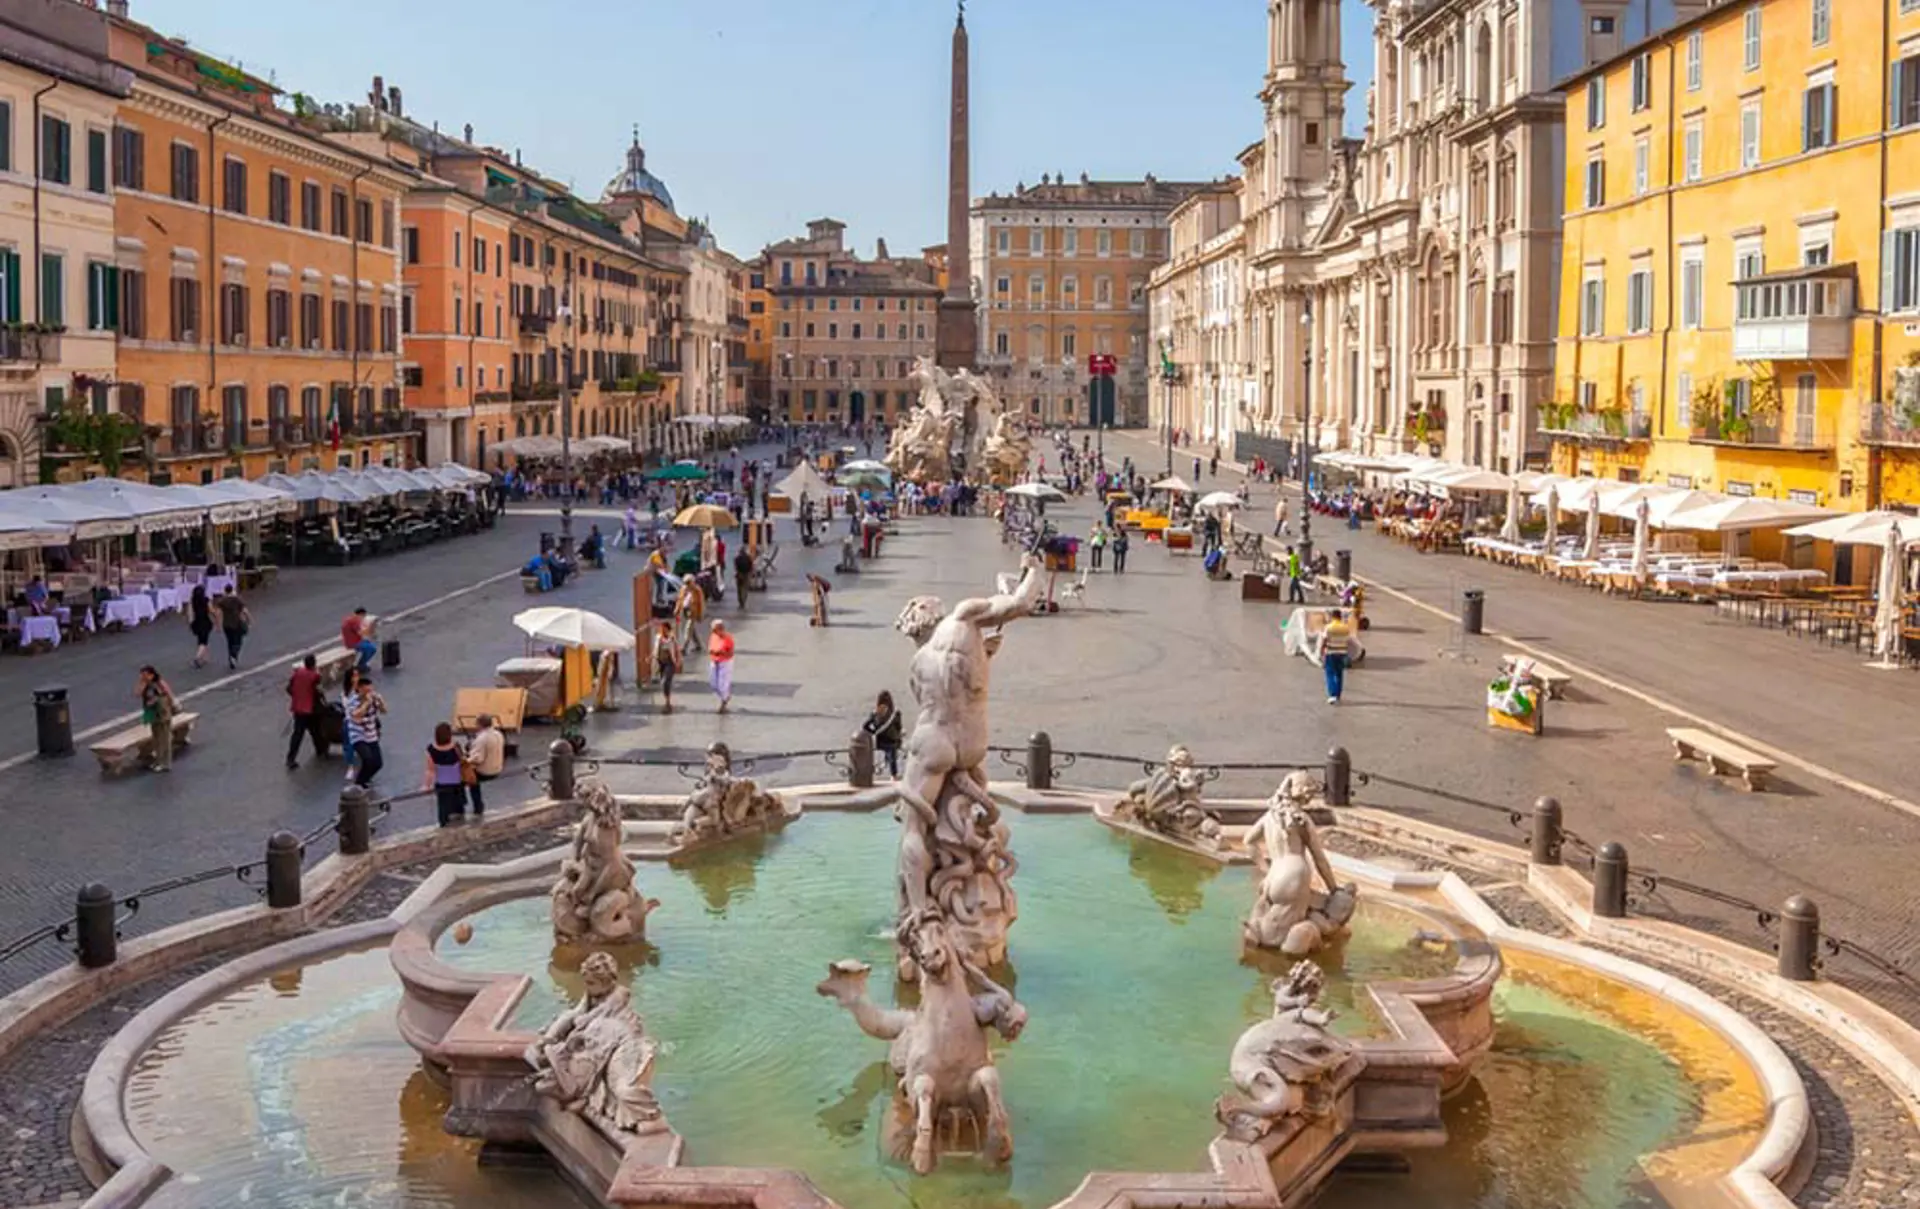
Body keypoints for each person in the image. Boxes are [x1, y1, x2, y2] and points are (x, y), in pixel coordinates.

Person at [344, 672, 387, 788]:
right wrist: (366, 703)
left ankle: (365, 779)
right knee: (367, 759)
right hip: (358, 735)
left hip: (371, 735)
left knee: (378, 763)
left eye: (370, 690)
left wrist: (381, 701)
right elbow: (356, 716)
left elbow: (384, 711)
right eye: (366, 691)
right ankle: (359, 783)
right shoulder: (352, 701)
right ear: (360, 689)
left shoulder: (373, 699)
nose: (369, 693)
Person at [423, 722, 470, 827]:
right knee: (459, 809)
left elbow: (430, 770)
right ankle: (461, 827)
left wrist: (427, 785)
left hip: (442, 784)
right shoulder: (456, 746)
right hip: (457, 783)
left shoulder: (431, 749)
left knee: (443, 809)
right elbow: (463, 761)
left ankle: (443, 826)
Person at [138, 665, 177, 773]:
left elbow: (168, 693)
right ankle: (158, 760)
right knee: (156, 738)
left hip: (162, 712)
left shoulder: (159, 683)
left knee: (164, 738)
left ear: (152, 675)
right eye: (142, 675)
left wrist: (174, 705)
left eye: (145, 675)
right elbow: (137, 693)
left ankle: (165, 763)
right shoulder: (145, 684)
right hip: (151, 713)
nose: (143, 677)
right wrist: (141, 683)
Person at [286, 654, 322, 770]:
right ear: (314, 664)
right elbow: (318, 690)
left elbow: (288, 688)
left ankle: (290, 758)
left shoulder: (298, 673)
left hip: (298, 708)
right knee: (315, 730)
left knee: (297, 734)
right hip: (309, 709)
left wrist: (296, 696)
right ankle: (320, 750)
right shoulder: (315, 676)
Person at [467, 714, 504, 815]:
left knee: (468, 777)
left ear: (480, 724)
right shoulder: (499, 734)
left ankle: (477, 806)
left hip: (485, 771)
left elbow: (478, 759)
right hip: (498, 768)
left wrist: (466, 760)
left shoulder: (482, 738)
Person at [863, 690, 904, 778]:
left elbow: (865, 726)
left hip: (880, 740)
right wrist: (899, 739)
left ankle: (874, 771)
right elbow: (899, 727)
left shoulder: (875, 713)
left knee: (887, 756)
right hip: (892, 740)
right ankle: (893, 775)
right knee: (892, 757)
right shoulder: (895, 713)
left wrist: (874, 732)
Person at [213, 586, 250, 669]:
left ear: (225, 591)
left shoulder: (222, 601)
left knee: (230, 642)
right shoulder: (237, 600)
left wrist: (218, 625)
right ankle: (234, 655)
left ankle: (231, 659)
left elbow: (218, 613)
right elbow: (244, 610)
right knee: (238, 641)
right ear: (232, 590)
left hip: (226, 625)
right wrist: (249, 619)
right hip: (237, 623)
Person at [1322, 609, 1353, 706]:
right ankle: (1338, 694)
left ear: (1332, 616)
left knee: (1330, 674)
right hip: (1342, 652)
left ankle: (1332, 694)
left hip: (1331, 652)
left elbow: (1324, 640)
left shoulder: (1329, 627)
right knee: (1339, 674)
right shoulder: (1345, 628)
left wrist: (1321, 651)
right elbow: (1349, 641)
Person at [653, 620, 682, 713]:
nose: (662, 630)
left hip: (670, 663)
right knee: (664, 683)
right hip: (661, 662)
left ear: (668, 629)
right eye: (661, 629)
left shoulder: (672, 638)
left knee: (665, 681)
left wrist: (678, 661)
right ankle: (667, 702)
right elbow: (655, 649)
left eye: (664, 629)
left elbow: (677, 649)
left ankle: (667, 703)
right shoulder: (658, 638)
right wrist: (651, 657)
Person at [707, 619, 735, 713]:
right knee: (713, 684)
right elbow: (710, 647)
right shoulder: (713, 636)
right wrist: (712, 651)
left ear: (721, 628)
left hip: (725, 663)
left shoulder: (728, 638)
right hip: (714, 661)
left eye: (715, 630)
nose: (713, 632)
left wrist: (722, 653)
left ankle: (724, 703)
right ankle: (726, 696)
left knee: (722, 685)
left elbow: (731, 653)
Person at [343, 607, 378, 672]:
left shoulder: (351, 619)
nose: (364, 618)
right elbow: (361, 633)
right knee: (371, 649)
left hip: (353, 641)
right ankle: (361, 665)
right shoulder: (354, 621)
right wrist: (371, 627)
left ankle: (362, 664)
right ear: (361, 614)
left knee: (369, 644)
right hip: (353, 643)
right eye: (364, 616)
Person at [188, 584, 214, 668]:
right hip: (205, 621)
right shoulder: (206, 600)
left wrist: (191, 623)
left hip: (196, 621)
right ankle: (197, 658)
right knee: (204, 641)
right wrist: (215, 615)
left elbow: (190, 613)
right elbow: (211, 610)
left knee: (200, 640)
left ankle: (204, 658)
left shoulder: (192, 601)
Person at [733, 545, 754, 609]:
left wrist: (736, 573)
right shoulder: (748, 557)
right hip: (747, 574)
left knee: (739, 589)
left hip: (739, 574)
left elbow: (735, 567)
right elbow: (751, 566)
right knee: (745, 588)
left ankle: (740, 602)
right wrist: (751, 573)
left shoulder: (737, 558)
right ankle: (743, 601)